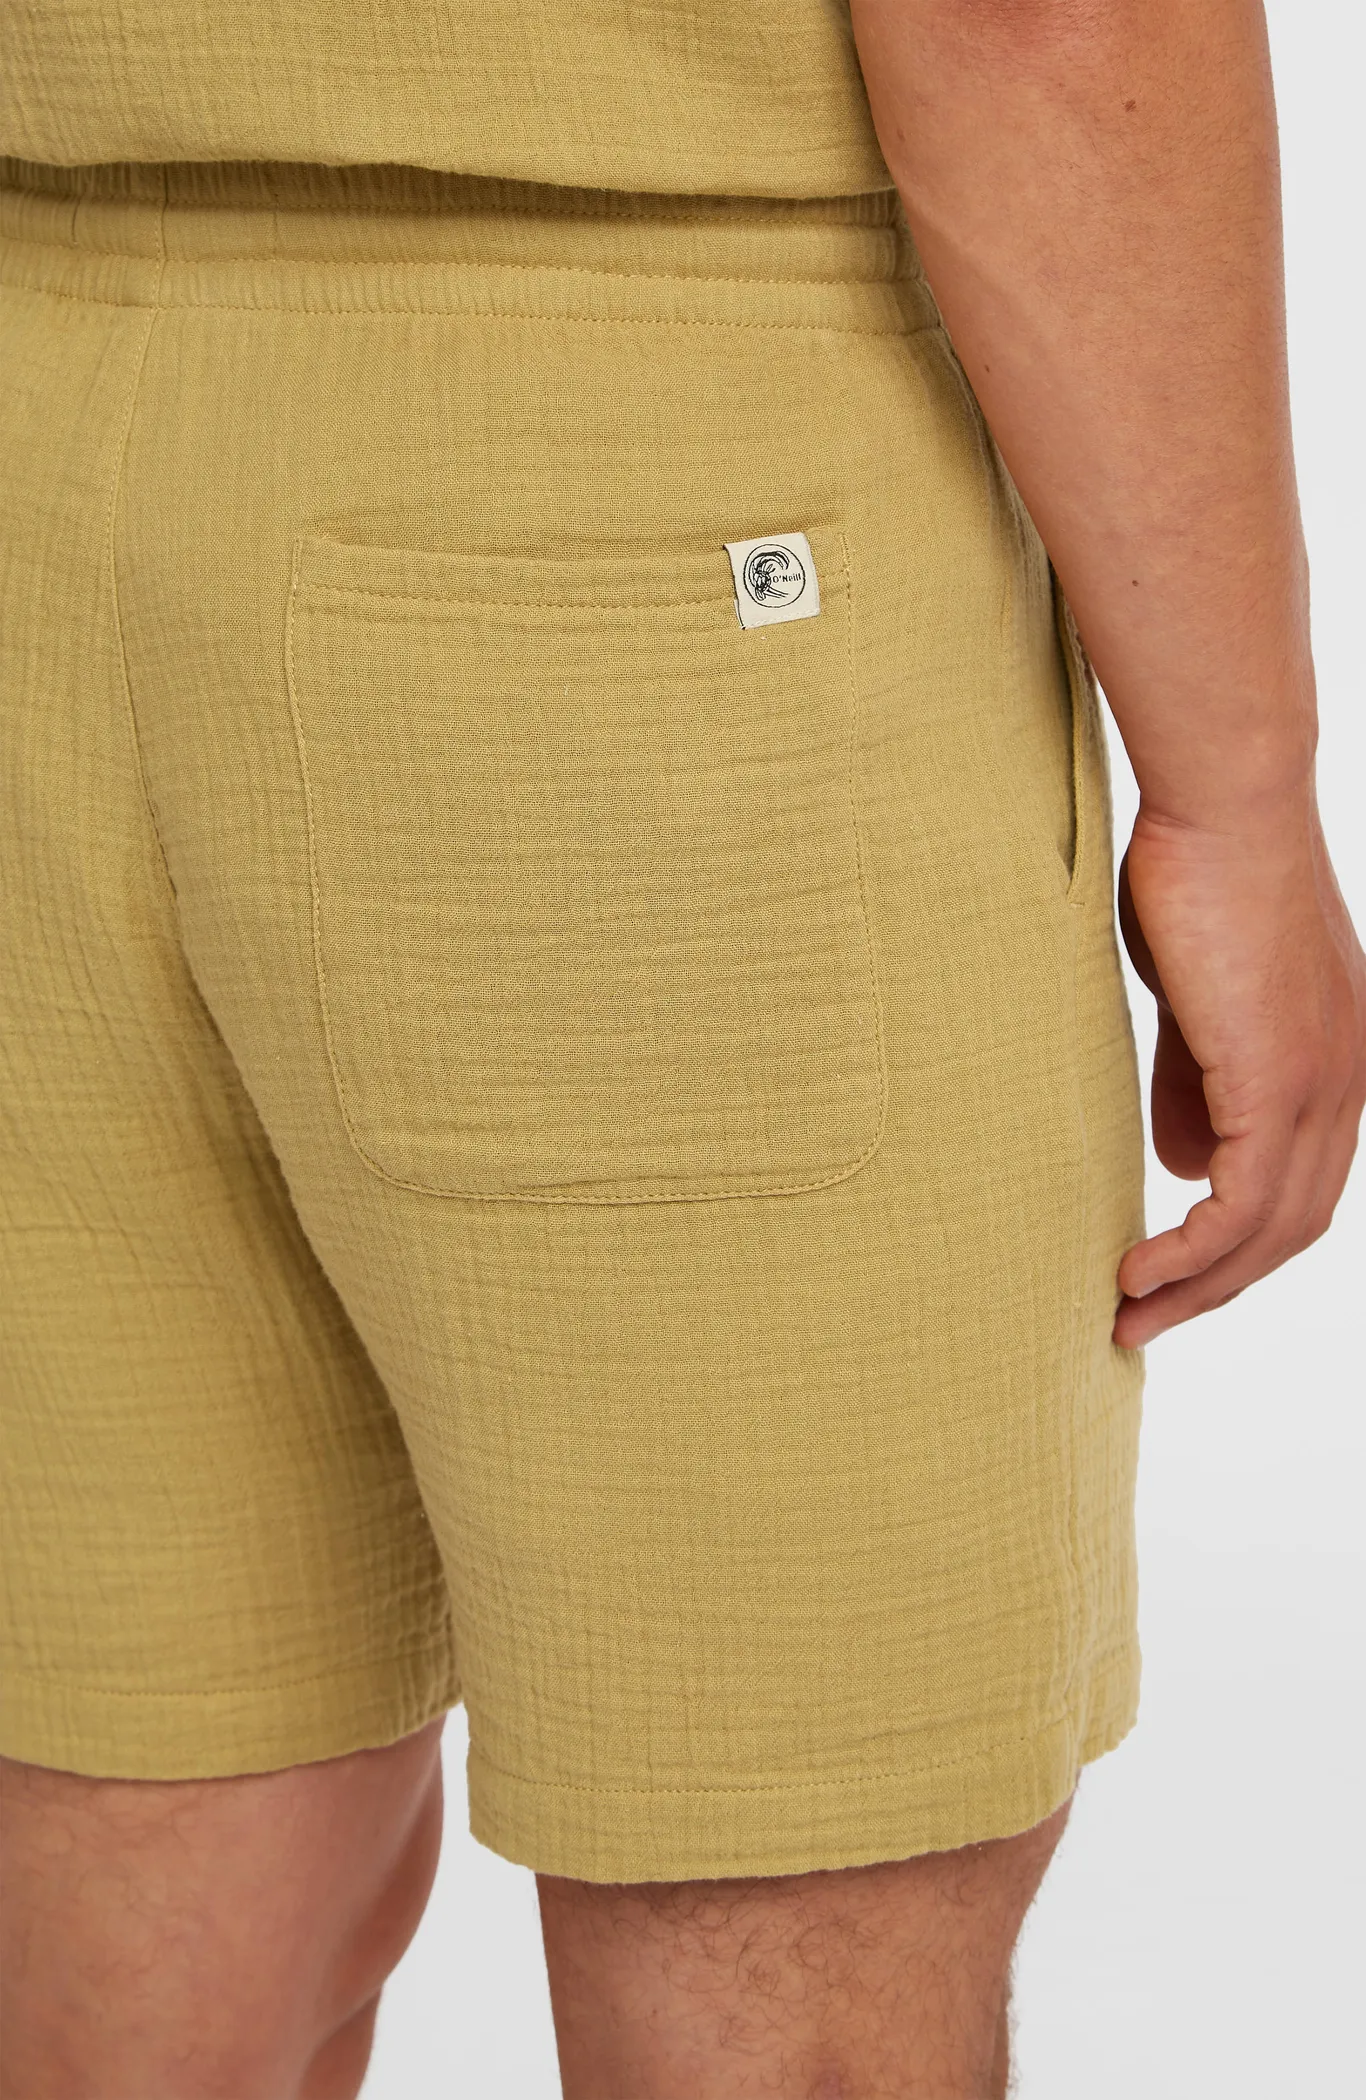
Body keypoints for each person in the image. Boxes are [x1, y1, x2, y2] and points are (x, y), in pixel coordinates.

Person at [1, 1, 1361, 2093]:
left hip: (44, 429)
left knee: (141, 1845)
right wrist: (1239, 797)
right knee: (786, 1902)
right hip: (630, 498)